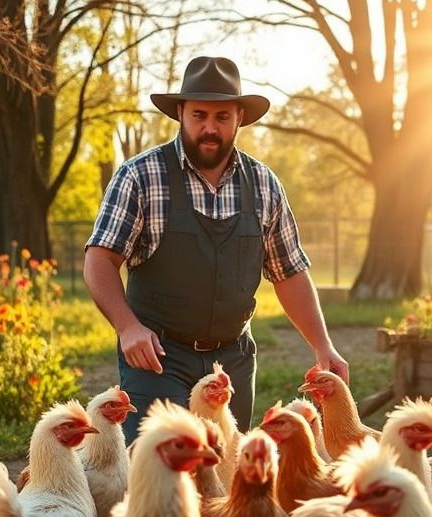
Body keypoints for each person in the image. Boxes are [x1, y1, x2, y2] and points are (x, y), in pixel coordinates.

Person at [83, 55, 349, 442]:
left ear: (239, 117)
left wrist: (323, 346)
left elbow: (289, 271)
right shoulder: (140, 176)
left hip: (233, 361)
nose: (210, 128)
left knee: (225, 478)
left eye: (222, 117)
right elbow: (100, 259)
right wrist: (128, 328)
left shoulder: (263, 185)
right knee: (163, 478)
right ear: (181, 114)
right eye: (200, 115)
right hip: (158, 358)